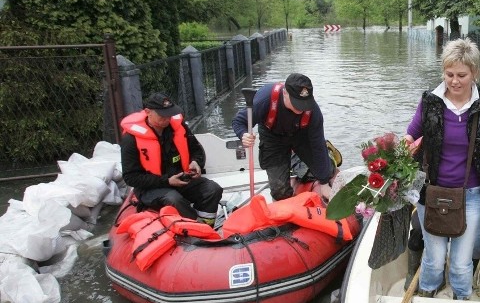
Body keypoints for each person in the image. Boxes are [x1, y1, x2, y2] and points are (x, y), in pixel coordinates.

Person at [404, 38, 480, 300]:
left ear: (475, 73)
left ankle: (462, 300)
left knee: (461, 263)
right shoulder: (429, 102)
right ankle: (428, 293)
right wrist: (394, 155)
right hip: (431, 192)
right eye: (449, 74)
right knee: (435, 259)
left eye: (462, 75)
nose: (455, 81)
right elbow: (410, 136)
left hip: (472, 194)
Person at [120, 92, 223, 225]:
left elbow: (196, 149)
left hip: (181, 180)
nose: (167, 118)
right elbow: (131, 177)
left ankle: (207, 226)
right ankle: (195, 228)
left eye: (169, 114)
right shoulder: (131, 139)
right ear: (148, 112)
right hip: (151, 188)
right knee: (173, 199)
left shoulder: (179, 128)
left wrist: (196, 162)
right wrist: (167, 181)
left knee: (213, 189)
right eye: (162, 115)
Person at [232, 74, 335, 202]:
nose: (301, 108)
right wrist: (243, 134)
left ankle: (301, 159)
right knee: (279, 191)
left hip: (300, 135)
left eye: (304, 103)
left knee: (328, 172)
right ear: (285, 93)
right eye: (297, 103)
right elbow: (239, 121)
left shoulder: (313, 111)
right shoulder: (264, 100)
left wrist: (324, 183)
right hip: (272, 137)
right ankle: (289, 163)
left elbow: (318, 144)